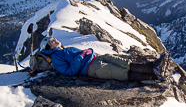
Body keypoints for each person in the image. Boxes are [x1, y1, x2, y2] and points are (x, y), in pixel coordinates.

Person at [40, 36, 169, 81]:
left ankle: (153, 67)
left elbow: (82, 54)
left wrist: (88, 51)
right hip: (90, 68)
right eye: (52, 42)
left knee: (123, 62)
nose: (55, 40)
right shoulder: (56, 57)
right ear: (49, 48)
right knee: (118, 71)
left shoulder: (65, 49)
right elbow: (69, 72)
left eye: (54, 39)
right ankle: (154, 76)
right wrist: (80, 56)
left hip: (94, 59)